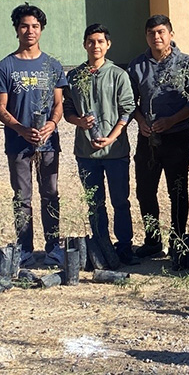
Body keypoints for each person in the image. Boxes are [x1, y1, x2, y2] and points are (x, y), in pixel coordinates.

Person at [0, 3, 67, 267]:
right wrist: (21, 129)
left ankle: (54, 245)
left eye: (35, 26)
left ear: (41, 29)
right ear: (16, 29)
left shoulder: (52, 65)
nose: (30, 31)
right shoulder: (6, 66)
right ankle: (24, 248)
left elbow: (59, 104)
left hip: (48, 144)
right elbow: (0, 108)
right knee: (22, 196)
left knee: (51, 193)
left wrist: (52, 124)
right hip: (18, 143)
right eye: (24, 26)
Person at [127, 15, 189, 258]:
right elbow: (129, 101)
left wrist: (172, 119)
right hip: (147, 139)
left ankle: (179, 241)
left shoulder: (186, 64)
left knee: (178, 191)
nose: (156, 37)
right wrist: (141, 122)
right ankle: (152, 241)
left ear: (170, 34)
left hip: (177, 137)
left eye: (161, 32)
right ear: (146, 36)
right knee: (145, 190)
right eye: (151, 33)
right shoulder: (137, 65)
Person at [64, 24, 138, 266]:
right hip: (86, 153)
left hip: (115, 151)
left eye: (100, 41)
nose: (95, 46)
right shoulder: (75, 76)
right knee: (94, 203)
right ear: (85, 44)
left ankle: (125, 246)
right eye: (91, 41)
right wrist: (79, 121)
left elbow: (127, 110)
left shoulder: (118, 75)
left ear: (108, 44)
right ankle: (101, 246)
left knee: (120, 201)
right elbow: (68, 109)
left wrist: (113, 137)